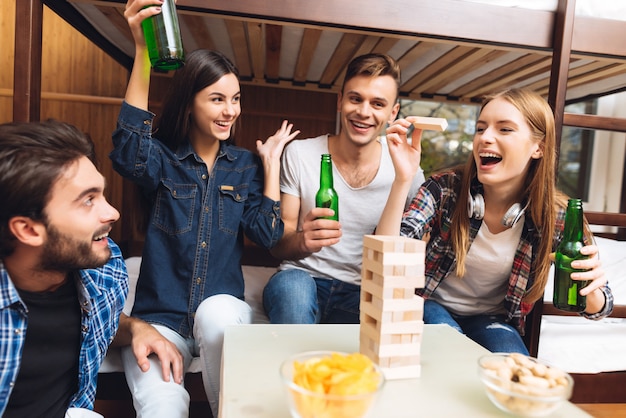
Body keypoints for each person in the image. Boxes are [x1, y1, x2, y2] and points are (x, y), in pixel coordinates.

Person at [110, 1, 300, 416]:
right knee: (161, 408)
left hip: (222, 314)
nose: (230, 110)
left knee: (214, 312)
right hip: (161, 321)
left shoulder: (245, 165)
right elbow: (128, 151)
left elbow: (268, 235)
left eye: (235, 99)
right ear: (189, 103)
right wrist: (142, 52)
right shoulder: (162, 160)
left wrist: (270, 167)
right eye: (217, 99)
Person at [376, 87, 614, 354]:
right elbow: (385, 255)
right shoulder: (445, 188)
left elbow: (601, 308)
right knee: (450, 349)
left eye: (504, 129)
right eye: (480, 128)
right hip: (428, 303)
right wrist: (403, 178)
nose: (485, 138)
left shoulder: (557, 216)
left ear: (538, 147)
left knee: (514, 370)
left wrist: (590, 288)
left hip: (493, 318)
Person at [262, 53, 425, 324]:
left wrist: (402, 179)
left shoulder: (406, 168)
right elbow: (277, 246)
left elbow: (412, 253)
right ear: (340, 101)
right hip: (301, 278)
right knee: (293, 296)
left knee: (398, 321)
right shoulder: (300, 153)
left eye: (378, 104)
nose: (363, 112)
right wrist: (303, 240)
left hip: (363, 290)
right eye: (355, 98)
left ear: (392, 113)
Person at [0, 120, 127, 417]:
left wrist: (135, 328)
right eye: (88, 200)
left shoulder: (106, 273)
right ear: (29, 230)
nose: (113, 212)